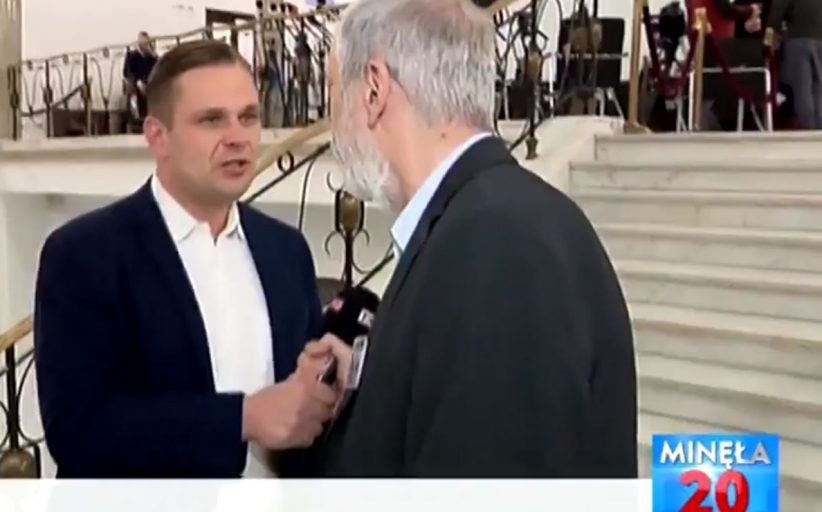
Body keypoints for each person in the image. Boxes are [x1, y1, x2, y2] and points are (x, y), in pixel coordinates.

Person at [298, 0, 637, 477]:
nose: (333, 126)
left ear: (374, 88)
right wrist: (369, 380)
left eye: (334, 94)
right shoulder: (479, 219)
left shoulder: (496, 243)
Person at [34, 40, 336, 478]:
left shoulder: (286, 250)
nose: (237, 137)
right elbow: (78, 429)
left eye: (248, 116)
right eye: (211, 120)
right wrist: (242, 419)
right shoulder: (84, 254)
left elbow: (302, 415)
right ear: (159, 137)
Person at [767, 0, 822, 129]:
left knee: (802, 89)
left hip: (798, 41)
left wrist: (768, 42)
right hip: (820, 41)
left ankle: (808, 131)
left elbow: (774, 17)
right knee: (819, 88)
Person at [123, 31, 158, 123]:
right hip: (136, 84)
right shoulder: (132, 56)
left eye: (146, 43)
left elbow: (157, 68)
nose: (145, 45)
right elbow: (127, 72)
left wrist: (154, 56)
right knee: (135, 93)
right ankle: (136, 117)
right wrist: (138, 81)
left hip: (149, 83)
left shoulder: (151, 56)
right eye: (143, 42)